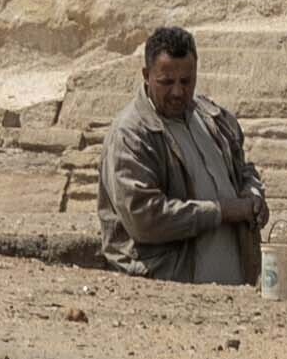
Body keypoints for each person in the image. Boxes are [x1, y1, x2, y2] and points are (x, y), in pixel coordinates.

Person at [99, 23, 269, 286]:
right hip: (168, 287)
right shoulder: (131, 134)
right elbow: (145, 217)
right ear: (146, 75)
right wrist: (221, 212)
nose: (178, 92)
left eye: (186, 81)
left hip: (234, 288)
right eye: (167, 82)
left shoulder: (213, 117)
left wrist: (253, 195)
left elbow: (243, 170)